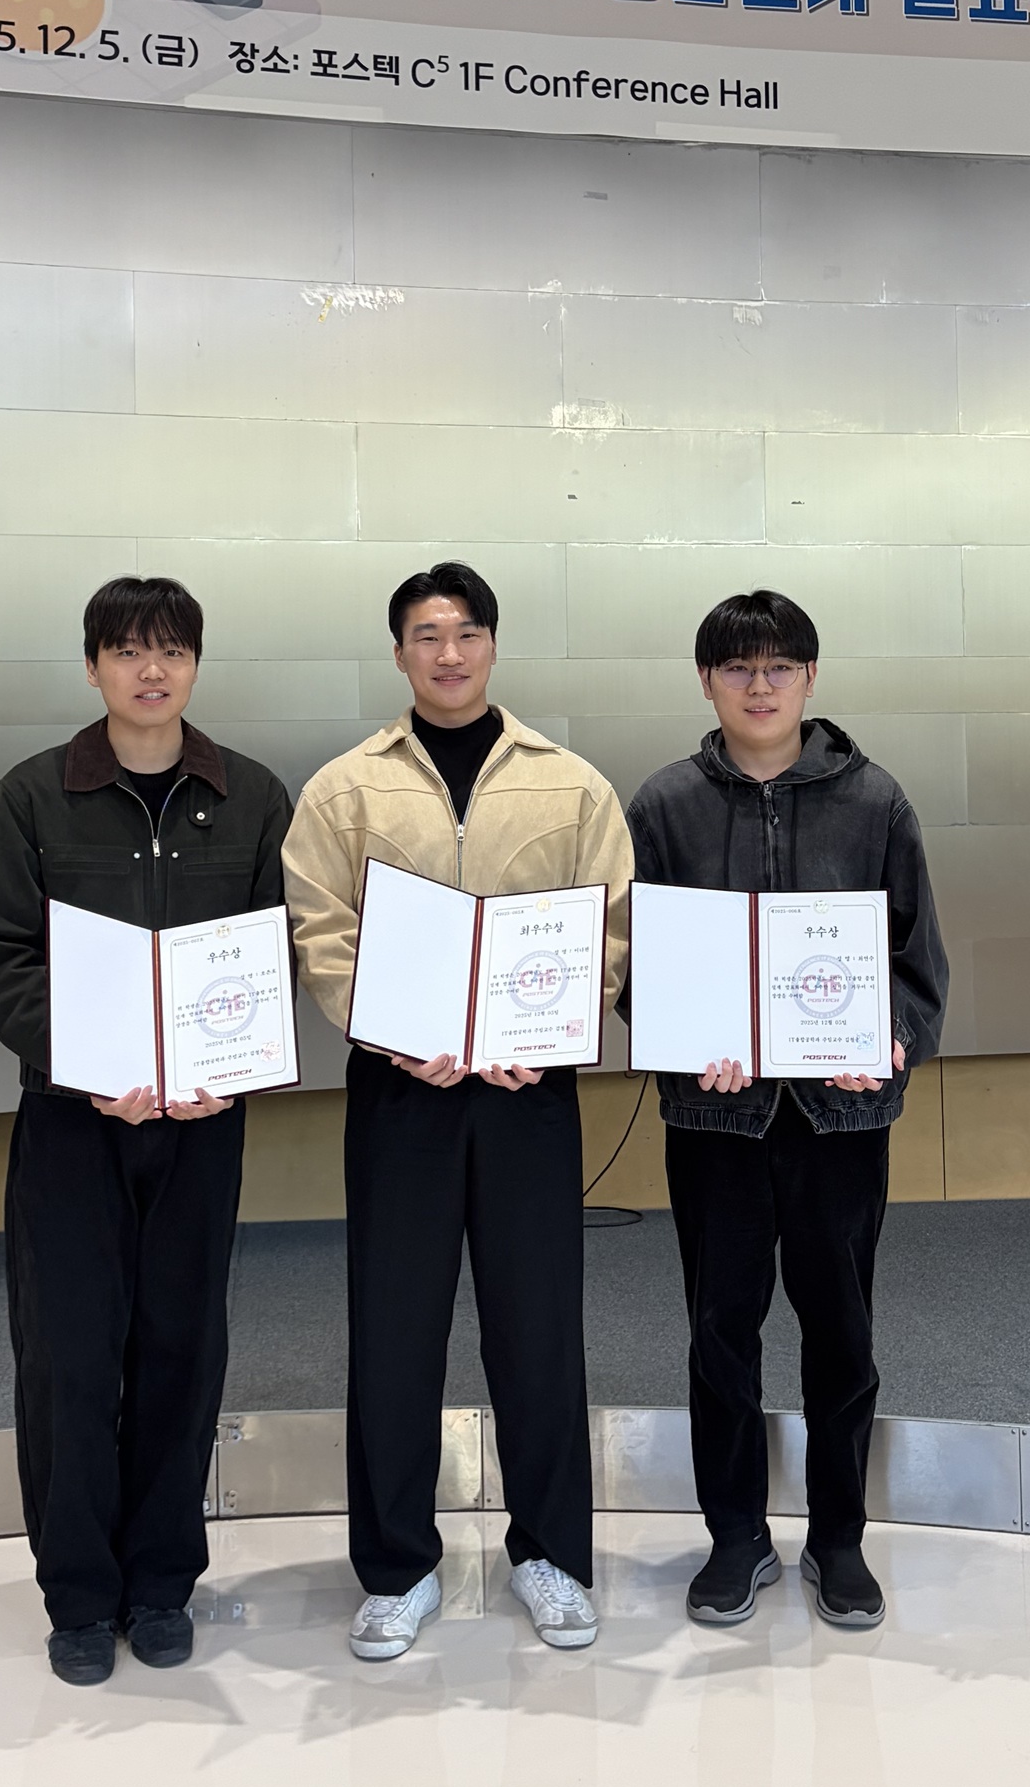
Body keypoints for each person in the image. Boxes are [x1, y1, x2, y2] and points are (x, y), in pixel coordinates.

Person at [283, 561, 633, 1662]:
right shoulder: (345, 789)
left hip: (530, 1095)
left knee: (541, 1329)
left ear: (492, 645)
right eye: (427, 635)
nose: (448, 652)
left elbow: (611, 926)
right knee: (394, 1331)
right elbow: (319, 928)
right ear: (399, 652)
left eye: (467, 632)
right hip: (403, 1092)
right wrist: (385, 1028)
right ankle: (396, 1570)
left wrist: (555, 1030)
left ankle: (552, 1557)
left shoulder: (570, 785)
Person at [0, 575, 291, 1687]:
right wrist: (90, 1066)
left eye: (172, 651)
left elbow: (275, 948)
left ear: (195, 664)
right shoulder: (33, 797)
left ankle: (160, 1585)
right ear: (93, 665)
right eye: (128, 651)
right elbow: (1, 954)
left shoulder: (250, 795)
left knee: (181, 1351)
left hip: (203, 1124)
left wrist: (225, 1075)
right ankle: (76, 1594)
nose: (152, 671)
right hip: (72, 1122)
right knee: (68, 1355)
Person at [625, 589, 948, 1636]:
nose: (758, 686)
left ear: (810, 677)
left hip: (837, 1121)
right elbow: (637, 967)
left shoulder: (875, 801)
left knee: (842, 1334)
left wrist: (890, 1042)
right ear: (705, 680)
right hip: (715, 1122)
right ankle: (736, 1537)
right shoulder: (664, 805)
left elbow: (915, 963)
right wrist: (682, 1039)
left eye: (778, 667)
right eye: (737, 667)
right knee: (719, 1334)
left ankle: (839, 1539)